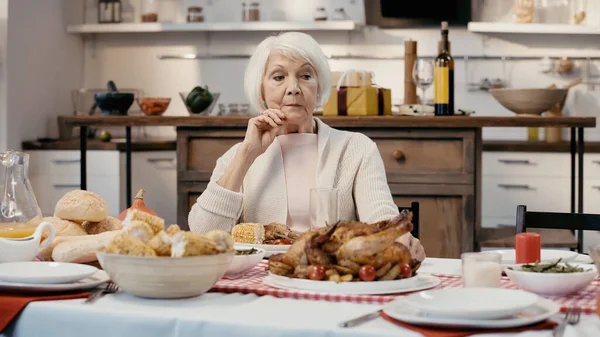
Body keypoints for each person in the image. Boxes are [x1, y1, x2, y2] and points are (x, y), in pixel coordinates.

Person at [188, 32, 425, 261]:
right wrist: (246, 156)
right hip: (260, 280)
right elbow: (201, 237)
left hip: (330, 279)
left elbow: (380, 218)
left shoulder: (356, 148)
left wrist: (399, 238)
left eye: (305, 76)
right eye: (279, 77)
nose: (293, 88)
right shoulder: (236, 157)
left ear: (319, 87)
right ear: (261, 89)